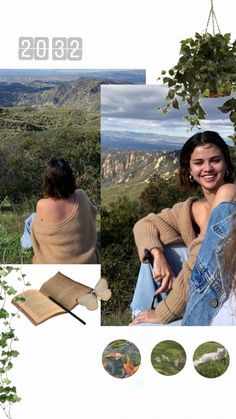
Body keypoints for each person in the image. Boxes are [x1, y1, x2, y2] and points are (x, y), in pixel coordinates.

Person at [130, 131, 235, 325]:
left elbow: (202, 259)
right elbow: (143, 224)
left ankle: (142, 321)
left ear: (226, 164)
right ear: (189, 170)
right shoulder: (190, 209)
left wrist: (164, 312)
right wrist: (157, 254)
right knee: (154, 254)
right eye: (199, 163)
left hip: (225, 298)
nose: (208, 168)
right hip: (201, 290)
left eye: (215, 160)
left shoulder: (230, 196)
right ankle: (139, 317)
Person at [31, 158, 100, 264]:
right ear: (70, 179)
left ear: (48, 182)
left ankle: (25, 245)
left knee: (31, 220)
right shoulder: (81, 195)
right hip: (87, 262)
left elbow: (37, 234)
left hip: (54, 265)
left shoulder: (42, 204)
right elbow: (93, 212)